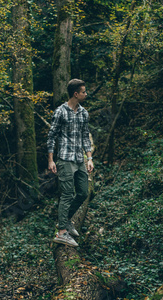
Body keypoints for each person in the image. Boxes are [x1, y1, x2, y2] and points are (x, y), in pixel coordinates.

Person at [47, 79, 94, 247]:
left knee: (82, 192)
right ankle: (61, 233)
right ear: (76, 94)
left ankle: (65, 221)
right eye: (84, 92)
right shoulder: (60, 112)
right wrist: (51, 160)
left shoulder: (83, 113)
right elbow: (51, 137)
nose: (86, 94)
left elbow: (85, 136)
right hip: (65, 159)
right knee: (67, 194)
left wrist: (89, 158)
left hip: (79, 159)